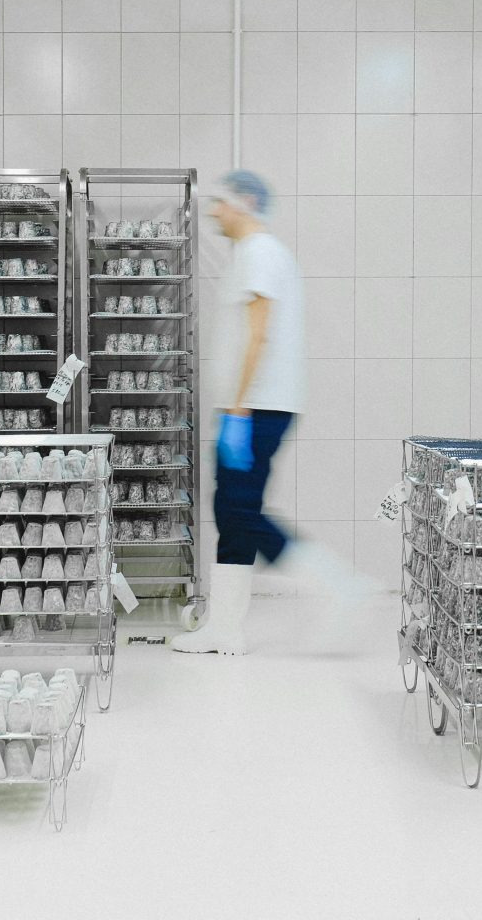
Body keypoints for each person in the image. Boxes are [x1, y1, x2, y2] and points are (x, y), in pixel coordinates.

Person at [172, 170, 357, 655]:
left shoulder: (260, 254)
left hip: (257, 406)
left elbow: (259, 334)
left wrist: (237, 410)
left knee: (239, 510)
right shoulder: (253, 255)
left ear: (247, 203)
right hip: (252, 405)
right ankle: (225, 629)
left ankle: (335, 586)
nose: (213, 211)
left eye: (221, 202)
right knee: (231, 511)